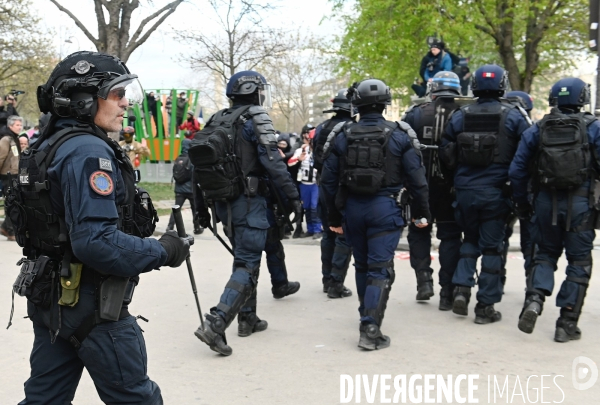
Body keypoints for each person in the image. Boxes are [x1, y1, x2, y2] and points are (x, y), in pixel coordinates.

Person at [5, 51, 192, 405]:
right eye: (117, 94)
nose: (125, 104)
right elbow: (96, 242)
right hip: (93, 308)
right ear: (84, 100)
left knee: (44, 400)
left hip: (52, 300)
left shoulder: (48, 145)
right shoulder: (88, 151)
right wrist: (164, 250)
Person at [192, 70, 301, 356]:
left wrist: (201, 211)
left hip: (224, 204)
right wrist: (294, 199)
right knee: (247, 264)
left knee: (244, 259)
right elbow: (274, 163)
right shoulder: (256, 117)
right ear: (255, 92)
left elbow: (196, 168)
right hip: (249, 203)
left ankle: (247, 318)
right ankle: (216, 323)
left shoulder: (217, 119)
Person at [321, 79, 430, 350]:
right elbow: (418, 181)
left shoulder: (342, 134)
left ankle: (366, 315)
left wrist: (333, 218)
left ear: (356, 103)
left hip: (353, 210)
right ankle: (370, 326)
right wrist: (421, 214)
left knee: (362, 265)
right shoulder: (399, 134)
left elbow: (328, 182)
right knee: (379, 268)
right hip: (385, 208)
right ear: (385, 103)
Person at [509, 77, 600, 342]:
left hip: (545, 203)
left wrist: (522, 204)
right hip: (580, 205)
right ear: (582, 98)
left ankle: (535, 300)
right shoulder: (594, 128)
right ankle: (566, 323)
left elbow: (516, 171)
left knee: (544, 255)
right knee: (579, 262)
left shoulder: (537, 129)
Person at [439, 64, 531, 324]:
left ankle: (461, 290)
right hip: (496, 193)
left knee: (470, 239)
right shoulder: (514, 115)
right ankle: (485, 307)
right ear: (503, 84)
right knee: (492, 248)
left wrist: (456, 181)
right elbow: (528, 155)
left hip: (465, 192)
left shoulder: (460, 115)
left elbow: (445, 154)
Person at [402, 71, 465, 309]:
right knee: (450, 236)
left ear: (432, 89)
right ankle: (447, 293)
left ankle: (424, 281)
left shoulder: (414, 114)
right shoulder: (462, 114)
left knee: (419, 232)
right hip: (452, 188)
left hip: (420, 187)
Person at [313, 89, 355, 298]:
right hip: (342, 187)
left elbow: (316, 159)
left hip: (323, 186)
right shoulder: (350, 129)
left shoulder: (321, 128)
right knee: (343, 234)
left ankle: (326, 278)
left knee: (328, 233)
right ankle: (335, 284)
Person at [288, 127, 322, 238]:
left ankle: (317, 229)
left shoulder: (319, 151)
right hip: (304, 183)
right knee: (307, 207)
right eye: (306, 138)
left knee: (314, 206)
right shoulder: (300, 150)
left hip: (315, 184)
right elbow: (290, 162)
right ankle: (311, 229)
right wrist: (299, 159)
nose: (308, 140)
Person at [167, 138, 202, 234]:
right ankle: (197, 227)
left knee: (176, 208)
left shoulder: (178, 159)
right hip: (191, 189)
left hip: (179, 189)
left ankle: (170, 227)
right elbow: (195, 174)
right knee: (195, 209)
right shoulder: (192, 159)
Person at [0, 115, 23, 241]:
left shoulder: (15, 139)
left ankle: (5, 227)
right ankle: (9, 230)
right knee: (11, 203)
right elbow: (0, 158)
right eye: (17, 125)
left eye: (20, 125)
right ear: (10, 126)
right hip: (7, 175)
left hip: (15, 174)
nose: (19, 127)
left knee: (14, 203)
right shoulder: (6, 140)